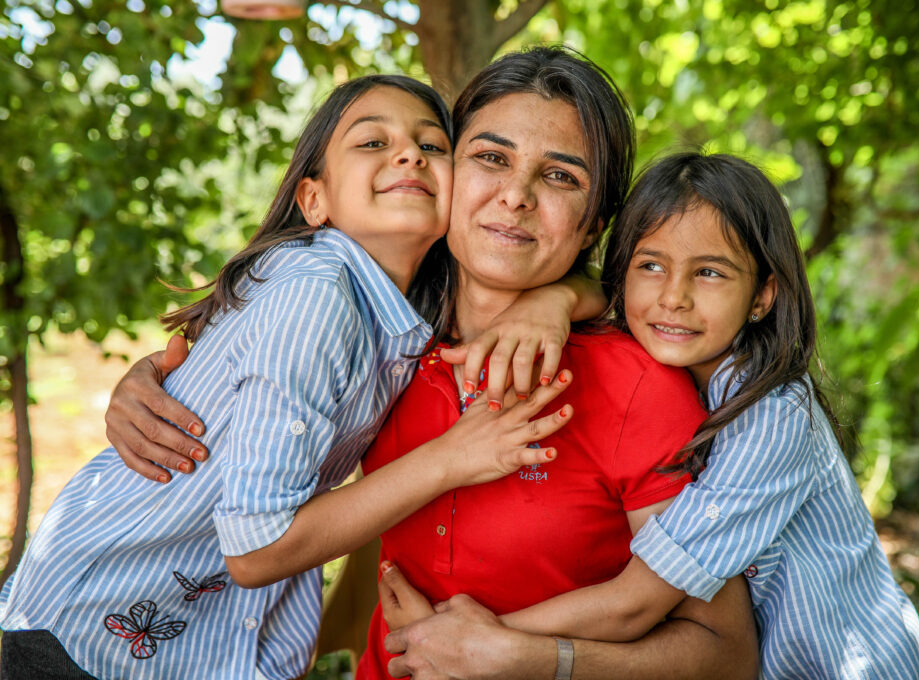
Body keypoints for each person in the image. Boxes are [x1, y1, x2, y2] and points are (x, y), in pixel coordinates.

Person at [100, 49, 761, 680]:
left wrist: (524, 659)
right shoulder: (381, 344)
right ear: (442, 176)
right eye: (490, 158)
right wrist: (146, 385)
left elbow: (722, 654)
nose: (516, 195)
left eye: (561, 176)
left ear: (592, 227)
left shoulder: (636, 384)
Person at [0, 74, 579, 680]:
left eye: (431, 145)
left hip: (187, 642)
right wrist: (452, 458)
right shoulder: (316, 293)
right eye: (371, 143)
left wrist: (560, 298)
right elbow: (257, 549)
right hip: (91, 636)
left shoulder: (403, 313)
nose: (408, 153)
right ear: (314, 201)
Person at [383, 153, 919, 679]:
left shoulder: (773, 418)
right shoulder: (681, 377)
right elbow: (606, 288)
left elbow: (636, 603)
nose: (673, 297)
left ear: (763, 296)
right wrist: (553, 299)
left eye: (711, 274)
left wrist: (468, 642)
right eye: (652, 265)